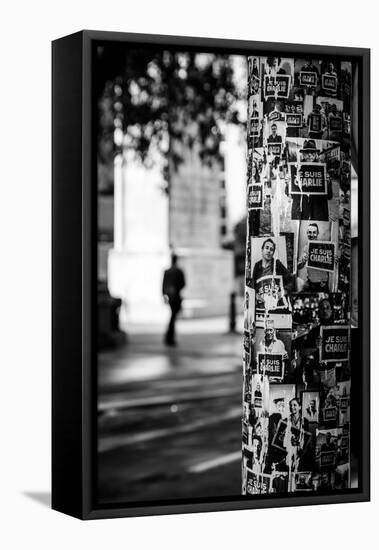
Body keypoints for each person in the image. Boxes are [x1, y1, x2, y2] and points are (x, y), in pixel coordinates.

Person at [289, 140, 333, 221]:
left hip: (318, 211)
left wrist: (328, 182)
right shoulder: (297, 169)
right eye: (306, 152)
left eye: (312, 152)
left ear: (316, 154)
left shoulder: (322, 170)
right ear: (303, 154)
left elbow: (329, 196)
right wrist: (288, 183)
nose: (309, 155)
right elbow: (291, 194)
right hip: (302, 211)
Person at [297, 222, 330, 292]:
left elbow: (331, 264)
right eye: (309, 232)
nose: (312, 235)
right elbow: (299, 266)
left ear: (318, 233)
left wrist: (324, 281)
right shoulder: (306, 248)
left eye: (314, 232)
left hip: (322, 285)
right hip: (311, 283)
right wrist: (303, 260)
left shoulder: (324, 246)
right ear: (307, 233)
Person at [162, 254, 185, 346]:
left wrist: (164, 295)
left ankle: (169, 336)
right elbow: (183, 284)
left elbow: (163, 285)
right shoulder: (179, 271)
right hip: (176, 297)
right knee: (173, 317)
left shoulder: (167, 271)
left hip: (170, 297)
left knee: (172, 317)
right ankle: (169, 337)